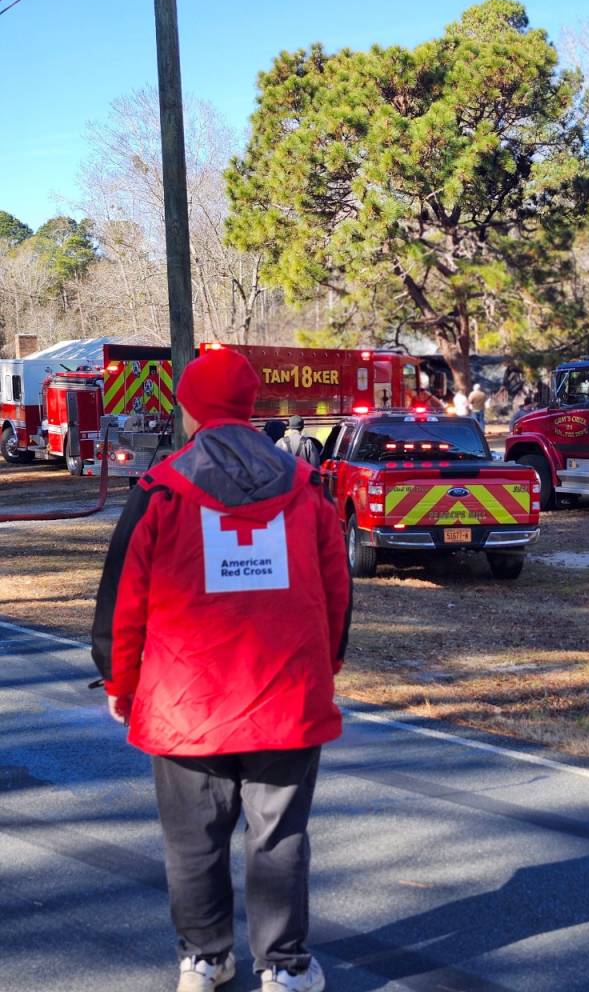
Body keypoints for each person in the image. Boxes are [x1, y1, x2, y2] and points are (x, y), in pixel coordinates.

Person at [91, 347, 351, 992]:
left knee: (193, 841)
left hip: (186, 699)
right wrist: (328, 667)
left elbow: (124, 599)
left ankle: (204, 959)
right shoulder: (303, 488)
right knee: (279, 838)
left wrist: (120, 681)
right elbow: (338, 589)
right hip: (287, 694)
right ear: (251, 403)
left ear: (187, 406)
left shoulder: (160, 490)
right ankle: (284, 968)